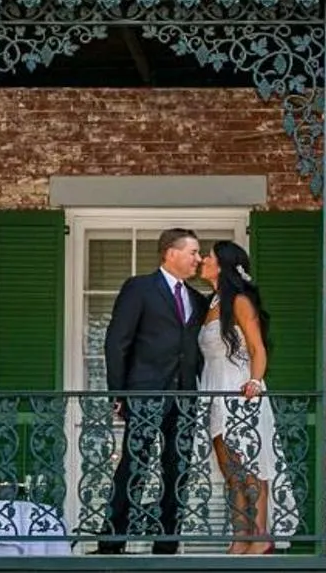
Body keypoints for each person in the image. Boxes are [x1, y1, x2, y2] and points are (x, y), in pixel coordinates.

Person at [100, 227, 205, 553]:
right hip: (145, 393)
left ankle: (167, 543)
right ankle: (112, 542)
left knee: (179, 469)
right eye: (194, 253)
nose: (198, 260)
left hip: (185, 396)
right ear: (171, 253)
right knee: (134, 465)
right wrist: (119, 394)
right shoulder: (140, 288)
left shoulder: (197, 299)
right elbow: (117, 343)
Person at [197, 241, 291, 555]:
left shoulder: (239, 301)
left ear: (222, 265)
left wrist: (255, 380)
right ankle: (240, 536)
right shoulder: (211, 302)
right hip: (213, 392)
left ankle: (261, 535)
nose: (202, 260)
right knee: (230, 470)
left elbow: (257, 348)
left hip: (239, 391)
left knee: (250, 465)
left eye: (207, 257)